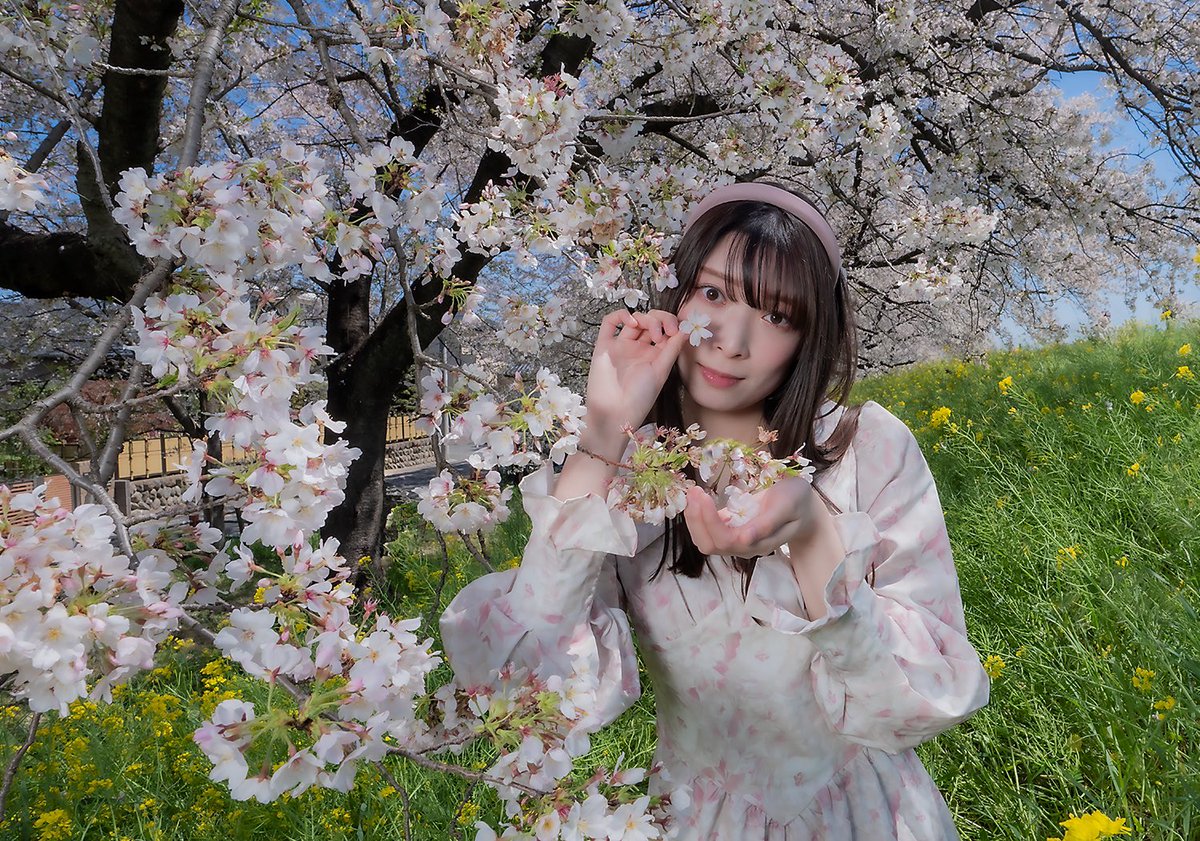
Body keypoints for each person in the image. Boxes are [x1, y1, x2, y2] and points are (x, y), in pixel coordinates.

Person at [440, 181, 991, 839]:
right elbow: (522, 692)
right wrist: (603, 436)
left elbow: (924, 704)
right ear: (674, 296)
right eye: (713, 294)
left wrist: (814, 538)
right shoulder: (622, 473)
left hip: (867, 815)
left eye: (778, 315)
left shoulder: (865, 449)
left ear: (808, 337)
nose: (732, 340)